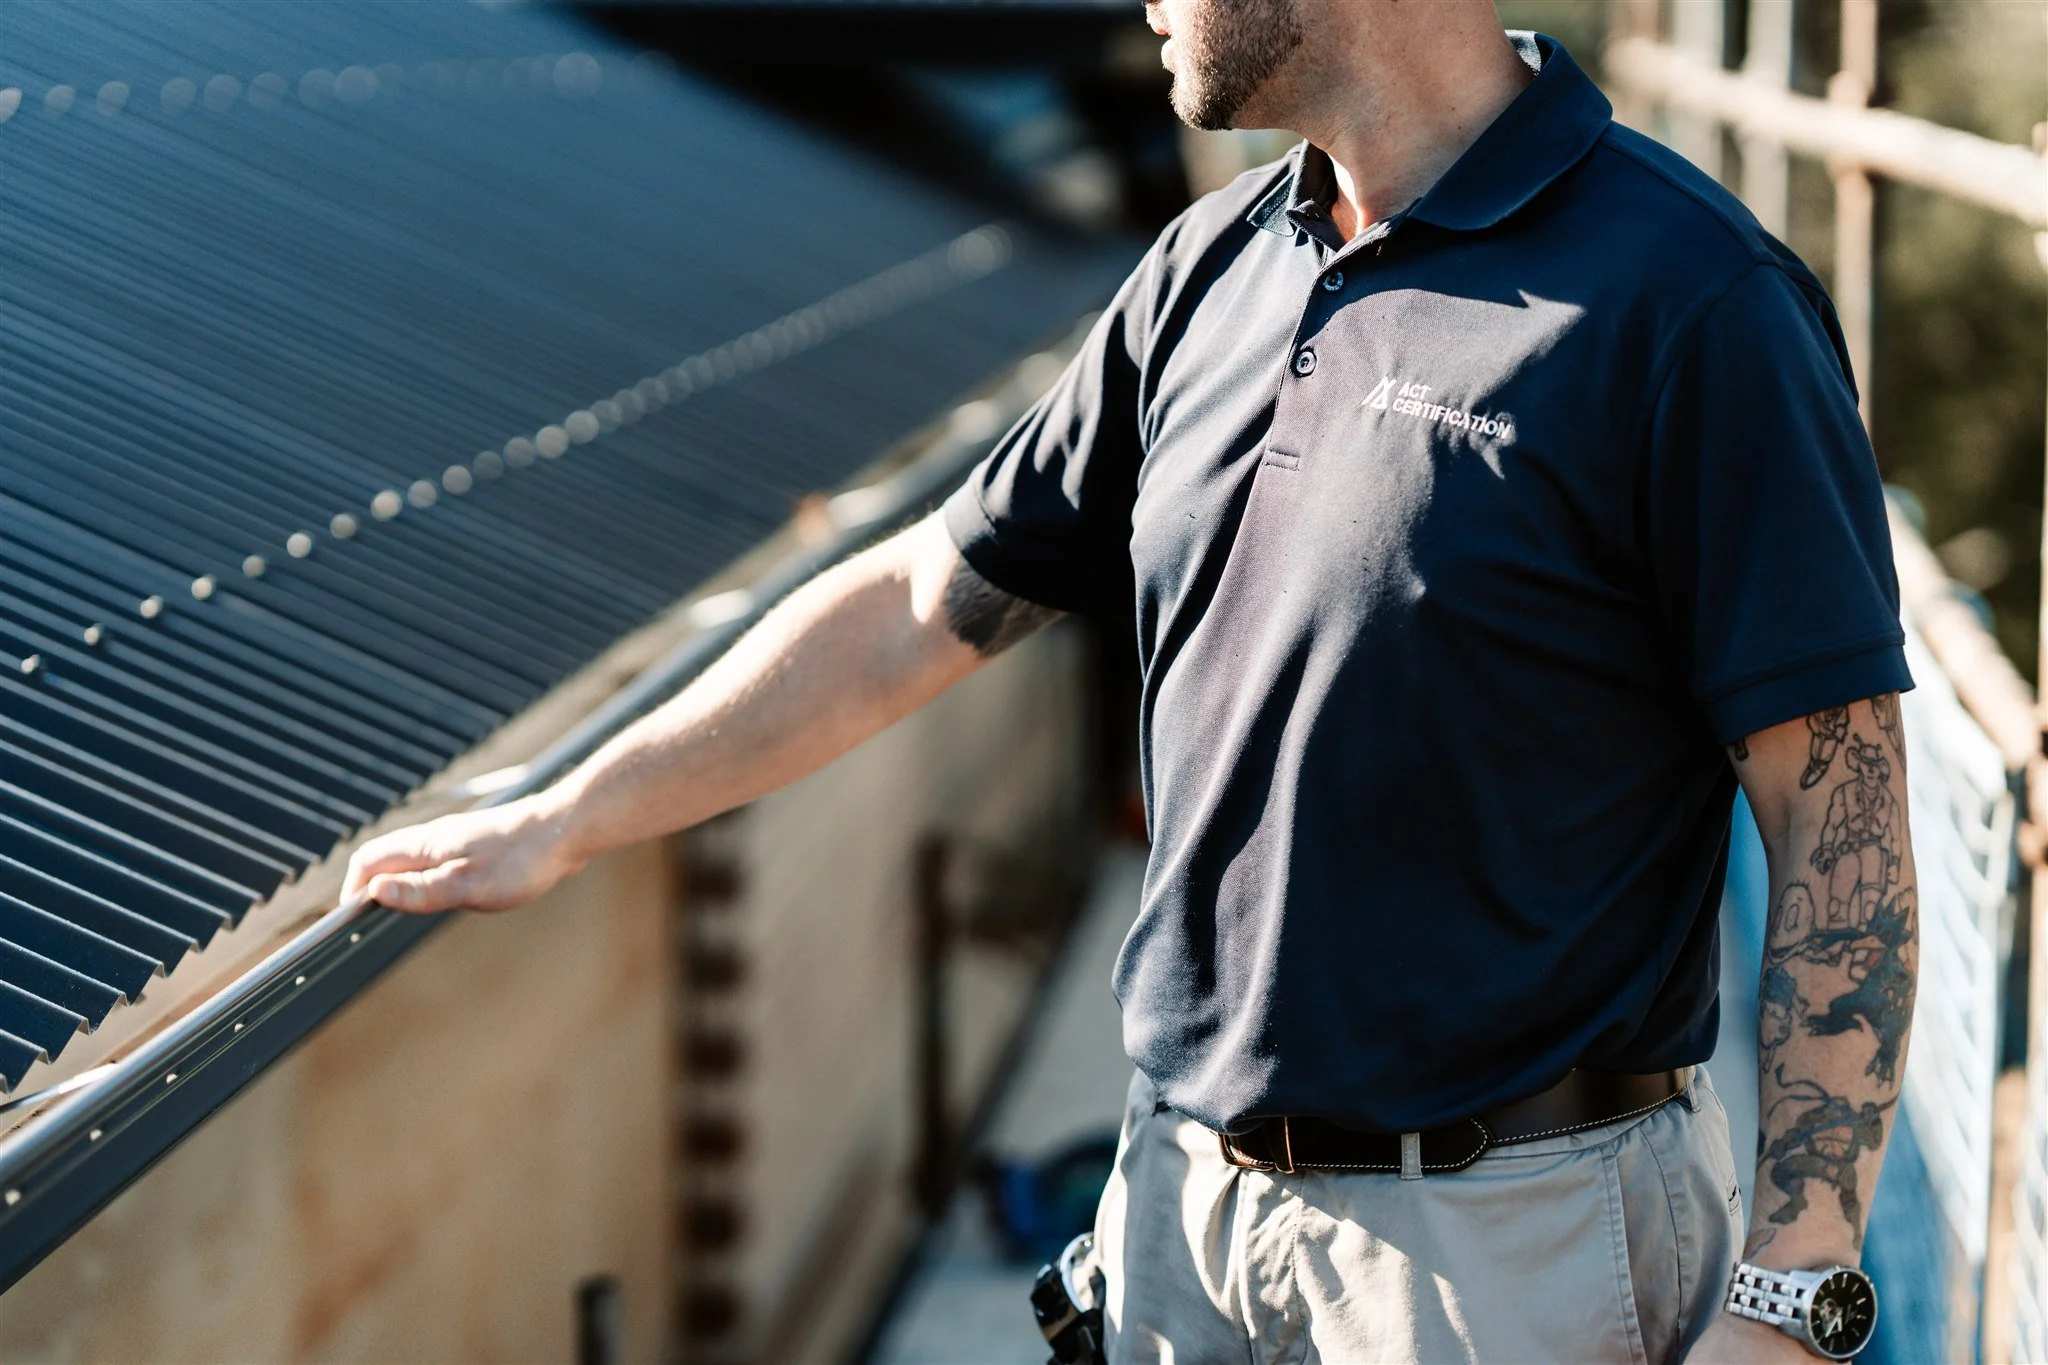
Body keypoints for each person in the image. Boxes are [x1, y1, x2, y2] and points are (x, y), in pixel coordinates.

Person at [345, 3, 1918, 1360]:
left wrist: (1791, 1296)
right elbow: (917, 605)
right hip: (1184, 1217)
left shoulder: (1692, 300)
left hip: (1509, 1251)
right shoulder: (1209, 271)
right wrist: (568, 816)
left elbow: (1842, 829)